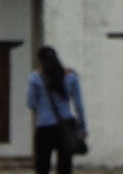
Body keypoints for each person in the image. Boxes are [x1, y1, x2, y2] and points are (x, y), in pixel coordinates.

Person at [25, 46, 87, 174]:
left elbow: (30, 103)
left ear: (40, 60)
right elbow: (79, 105)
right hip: (66, 125)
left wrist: (42, 108)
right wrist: (83, 127)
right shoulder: (71, 77)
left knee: (42, 166)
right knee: (65, 166)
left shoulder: (35, 78)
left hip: (44, 126)